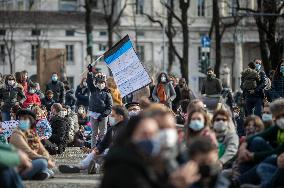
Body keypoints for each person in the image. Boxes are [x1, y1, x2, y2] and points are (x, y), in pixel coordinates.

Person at [59, 105, 129, 173]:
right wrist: (98, 149)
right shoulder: (113, 128)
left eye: (113, 115)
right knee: (93, 154)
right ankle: (79, 167)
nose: (110, 117)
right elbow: (104, 143)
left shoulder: (130, 128)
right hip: (112, 153)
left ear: (120, 117)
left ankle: (98, 166)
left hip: (124, 156)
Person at [237, 99, 284, 185]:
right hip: (278, 157)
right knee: (256, 141)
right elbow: (261, 136)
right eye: (277, 117)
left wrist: (253, 156)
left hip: (279, 157)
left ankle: (239, 181)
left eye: (283, 116)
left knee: (266, 164)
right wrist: (244, 145)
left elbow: (277, 152)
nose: (280, 119)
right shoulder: (279, 127)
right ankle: (239, 176)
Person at [9, 109, 55, 180]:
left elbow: (42, 150)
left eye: (25, 119)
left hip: (31, 162)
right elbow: (27, 152)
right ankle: (24, 176)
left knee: (49, 171)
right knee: (42, 163)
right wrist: (46, 159)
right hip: (21, 166)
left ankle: (37, 174)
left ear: (31, 121)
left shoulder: (32, 134)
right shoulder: (16, 134)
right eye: (21, 119)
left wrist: (48, 158)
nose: (23, 121)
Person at [87, 64, 113, 147]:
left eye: (102, 82)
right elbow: (89, 82)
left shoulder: (107, 94)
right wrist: (90, 72)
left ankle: (102, 147)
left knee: (102, 133)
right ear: (96, 83)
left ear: (104, 83)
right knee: (94, 133)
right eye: (99, 82)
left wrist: (103, 115)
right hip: (93, 114)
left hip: (103, 116)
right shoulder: (93, 90)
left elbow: (109, 106)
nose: (100, 84)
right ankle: (93, 148)